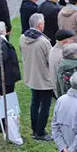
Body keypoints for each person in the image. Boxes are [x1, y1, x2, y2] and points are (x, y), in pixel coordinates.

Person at [21, 13, 54, 142]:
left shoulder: (23, 37)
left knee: (35, 102)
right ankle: (40, 132)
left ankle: (35, 128)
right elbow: (50, 60)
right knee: (45, 105)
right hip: (44, 78)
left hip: (31, 76)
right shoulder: (43, 42)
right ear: (40, 25)